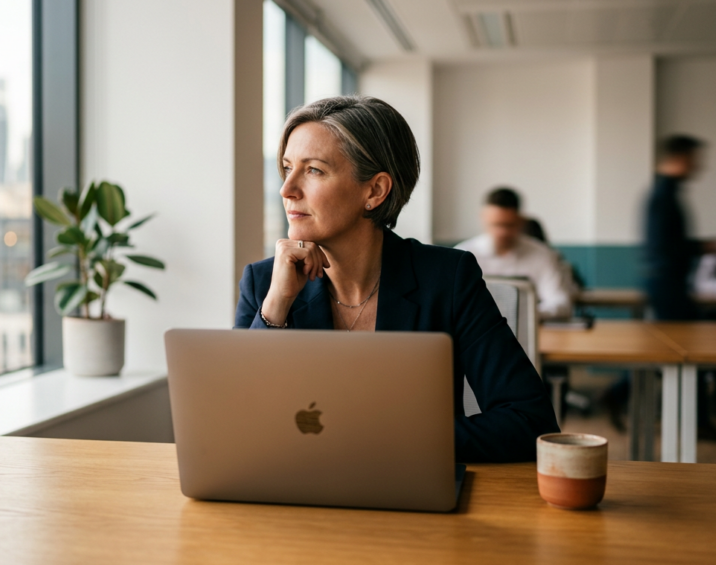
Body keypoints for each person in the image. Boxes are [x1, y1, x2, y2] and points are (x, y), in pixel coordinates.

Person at [234, 96, 559, 463]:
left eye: (313, 170)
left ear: (375, 191)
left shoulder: (447, 278)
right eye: (287, 167)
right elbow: (233, 421)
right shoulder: (265, 283)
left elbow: (529, 421)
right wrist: (275, 308)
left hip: (408, 488)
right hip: (291, 487)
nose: (286, 189)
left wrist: (386, 440)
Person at [455, 189, 574, 319]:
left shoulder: (542, 254)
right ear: (482, 218)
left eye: (509, 225)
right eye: (496, 225)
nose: (502, 232)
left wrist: (523, 315)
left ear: (520, 220)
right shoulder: (462, 255)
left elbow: (560, 303)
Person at [643, 134, 707, 321]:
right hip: (667, 284)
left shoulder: (667, 193)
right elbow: (666, 247)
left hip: (669, 283)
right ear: (681, 158)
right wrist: (702, 247)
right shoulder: (663, 197)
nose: (697, 166)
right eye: (693, 159)